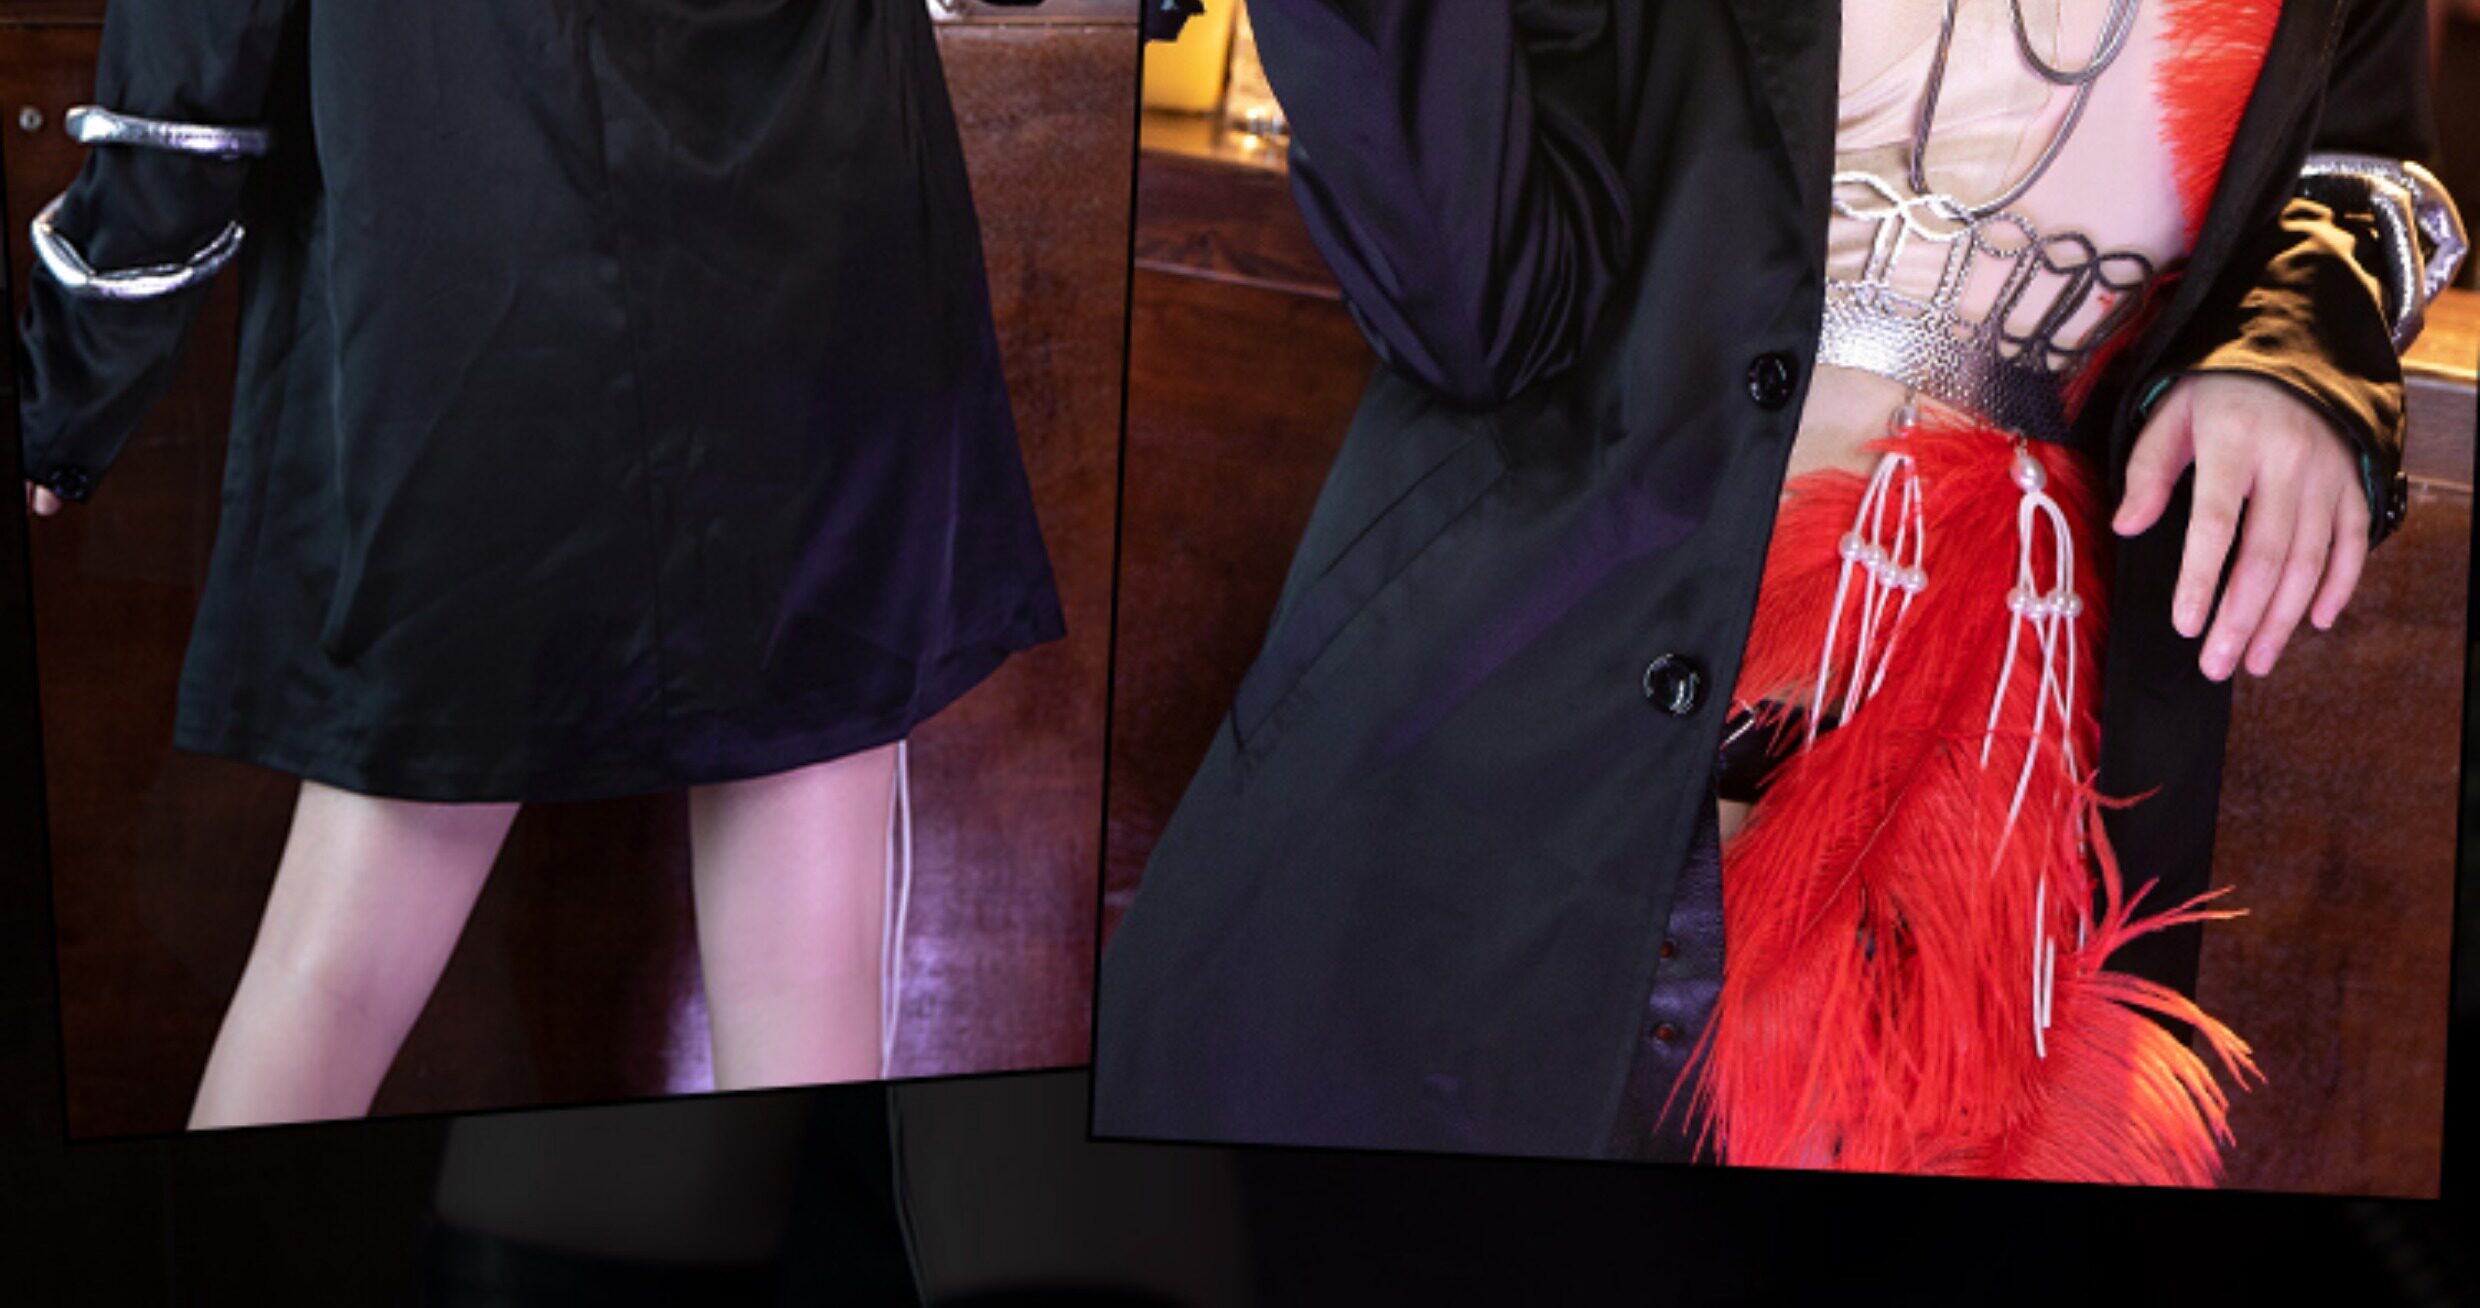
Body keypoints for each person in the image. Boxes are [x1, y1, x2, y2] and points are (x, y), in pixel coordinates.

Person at [1092, 0, 2464, 1182]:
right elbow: (1483, 305)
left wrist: (2299, 334)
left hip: (1980, 843)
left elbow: (2355, 166)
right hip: (1526, 753)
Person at [15, 0, 1065, 1128]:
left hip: (478, 286)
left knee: (333, 981)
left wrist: (76, 376)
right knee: (805, 984)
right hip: (817, 258)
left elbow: (194, 46)